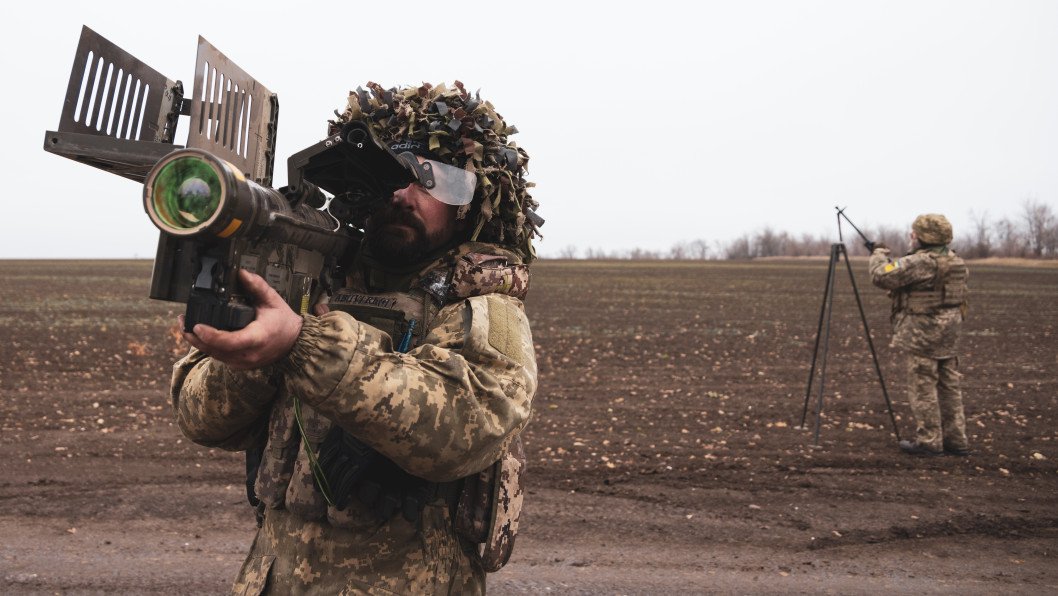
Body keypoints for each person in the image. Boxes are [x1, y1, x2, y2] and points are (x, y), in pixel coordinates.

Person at [170, 81, 541, 594]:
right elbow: (199, 418)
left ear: (469, 206)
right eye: (393, 177)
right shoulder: (313, 281)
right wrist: (254, 352)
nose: (403, 194)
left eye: (430, 181)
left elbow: (468, 425)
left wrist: (302, 344)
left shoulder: (483, 306)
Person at [868, 213, 970, 457]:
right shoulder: (956, 261)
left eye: (914, 234)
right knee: (949, 387)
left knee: (923, 387)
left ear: (924, 238)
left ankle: (929, 441)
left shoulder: (920, 262)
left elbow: (881, 275)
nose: (911, 236)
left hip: (924, 334)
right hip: (949, 334)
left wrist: (878, 254)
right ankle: (956, 440)